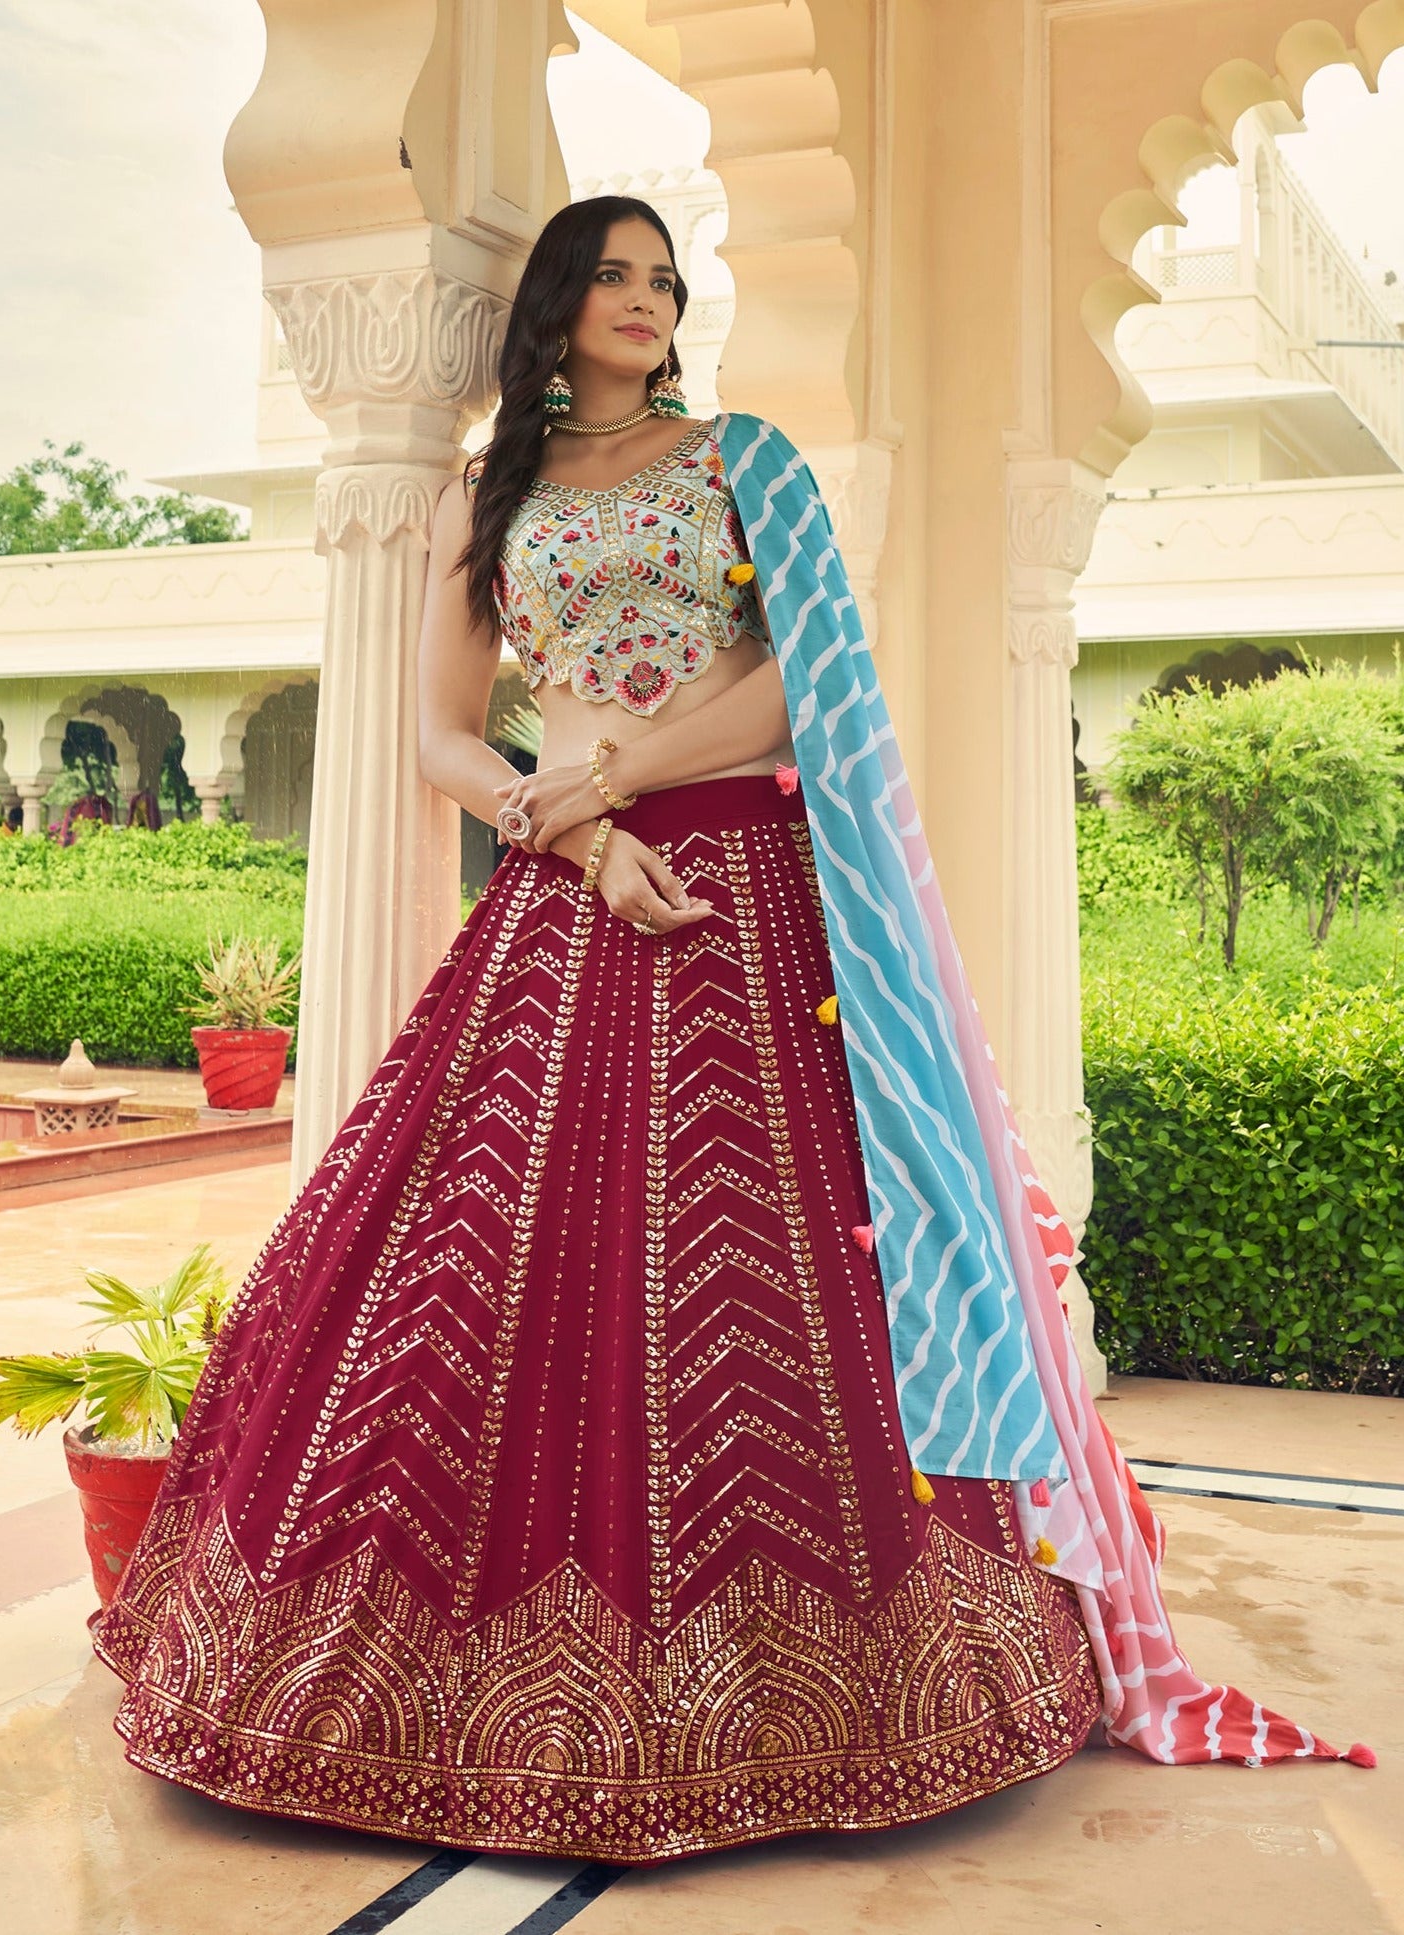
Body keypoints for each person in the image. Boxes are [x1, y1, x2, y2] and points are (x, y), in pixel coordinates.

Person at [91, 195, 1368, 1866]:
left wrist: (616, 774)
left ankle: (857, 1702)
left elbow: (811, 676)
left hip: (744, 898)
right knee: (476, 1267)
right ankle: (382, 1703)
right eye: (610, 274)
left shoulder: (741, 458)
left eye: (661, 276)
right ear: (552, 304)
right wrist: (575, 832)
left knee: (762, 1261)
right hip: (571, 897)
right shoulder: (499, 497)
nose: (643, 297)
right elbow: (435, 732)